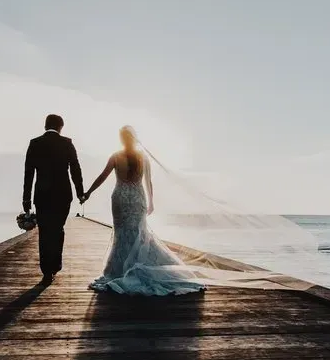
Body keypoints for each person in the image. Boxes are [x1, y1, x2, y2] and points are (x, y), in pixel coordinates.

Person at [82, 126, 206, 295]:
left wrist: (88, 192)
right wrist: (151, 202)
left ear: (121, 139)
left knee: (122, 234)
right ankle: (139, 266)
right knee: (140, 233)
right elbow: (149, 182)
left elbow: (102, 176)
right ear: (134, 138)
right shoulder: (143, 157)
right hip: (138, 198)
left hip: (120, 198)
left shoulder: (116, 156)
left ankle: (119, 270)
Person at [23, 114, 85, 283]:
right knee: (58, 229)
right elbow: (75, 169)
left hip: (42, 195)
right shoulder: (67, 143)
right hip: (63, 194)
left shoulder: (35, 143)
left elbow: (29, 173)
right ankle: (55, 265)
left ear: (45, 126)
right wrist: (80, 192)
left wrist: (26, 200)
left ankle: (46, 271)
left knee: (44, 231)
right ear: (61, 127)